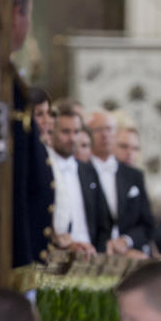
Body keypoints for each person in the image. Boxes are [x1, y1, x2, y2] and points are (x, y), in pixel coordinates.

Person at [10, 0, 55, 268]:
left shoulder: (7, 79)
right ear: (17, 14)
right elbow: (14, 189)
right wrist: (23, 264)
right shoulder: (1, 84)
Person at [88, 110, 154, 256]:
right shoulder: (82, 169)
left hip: (131, 255)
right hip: (94, 254)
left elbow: (147, 223)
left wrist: (126, 241)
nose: (105, 135)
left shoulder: (134, 175)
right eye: (98, 130)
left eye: (109, 129)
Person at [49, 102, 112, 256]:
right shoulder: (46, 168)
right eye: (65, 131)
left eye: (76, 132)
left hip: (89, 255)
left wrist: (98, 250)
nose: (72, 138)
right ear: (52, 131)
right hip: (55, 255)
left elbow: (104, 220)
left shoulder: (88, 170)